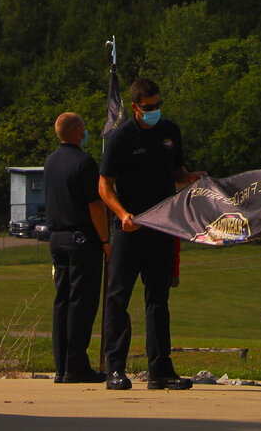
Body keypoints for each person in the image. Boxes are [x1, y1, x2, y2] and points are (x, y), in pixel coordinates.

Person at [98, 77, 203, 391]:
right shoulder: (121, 138)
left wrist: (194, 178)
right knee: (118, 297)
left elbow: (178, 173)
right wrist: (121, 214)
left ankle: (160, 369)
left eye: (158, 105)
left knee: (159, 299)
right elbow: (104, 184)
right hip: (131, 227)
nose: (155, 111)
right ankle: (114, 368)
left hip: (163, 226)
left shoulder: (170, 132)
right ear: (135, 107)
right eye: (149, 107)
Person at [44, 112, 110, 384]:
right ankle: (76, 365)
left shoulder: (51, 162)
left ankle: (61, 364)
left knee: (62, 300)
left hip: (57, 237)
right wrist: (106, 241)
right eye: (82, 128)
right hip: (81, 238)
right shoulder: (84, 163)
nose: (86, 132)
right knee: (81, 302)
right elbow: (95, 207)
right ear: (76, 132)